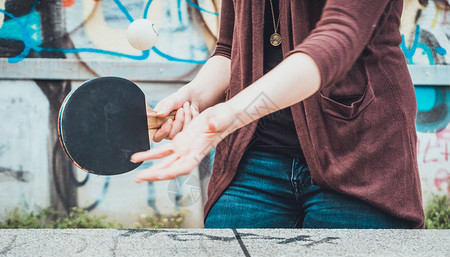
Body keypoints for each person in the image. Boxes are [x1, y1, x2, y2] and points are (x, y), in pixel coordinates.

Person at [131, 0, 425, 229]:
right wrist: (193, 97)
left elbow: (337, 39)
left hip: (357, 154)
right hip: (252, 160)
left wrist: (227, 116)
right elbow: (231, 50)